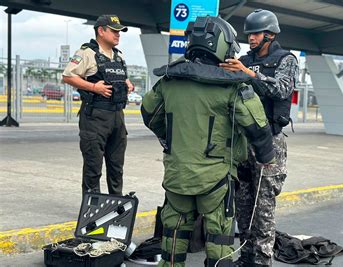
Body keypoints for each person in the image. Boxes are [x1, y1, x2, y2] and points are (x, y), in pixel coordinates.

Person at [141, 16, 275, 267]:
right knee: (219, 235)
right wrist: (267, 157)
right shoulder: (233, 86)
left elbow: (150, 114)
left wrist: (172, 140)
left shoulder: (168, 81)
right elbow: (258, 128)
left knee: (174, 230)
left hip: (177, 172)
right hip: (216, 177)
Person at [220, 9, 299, 267]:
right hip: (244, 141)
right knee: (243, 202)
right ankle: (246, 255)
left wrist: (249, 74)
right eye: (249, 34)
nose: (251, 38)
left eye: (255, 34)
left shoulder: (286, 59)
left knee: (263, 206)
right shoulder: (245, 59)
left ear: (269, 35)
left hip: (270, 141)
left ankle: (262, 261)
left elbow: (282, 89)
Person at [62, 15, 134, 195]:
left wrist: (127, 83)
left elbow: (120, 77)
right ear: (101, 31)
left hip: (117, 116)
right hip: (95, 117)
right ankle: (91, 209)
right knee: (93, 167)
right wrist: (93, 87)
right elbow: (68, 76)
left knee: (116, 167)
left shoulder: (118, 56)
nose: (118, 35)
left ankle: (115, 207)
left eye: (120, 31)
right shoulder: (86, 53)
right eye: (114, 31)